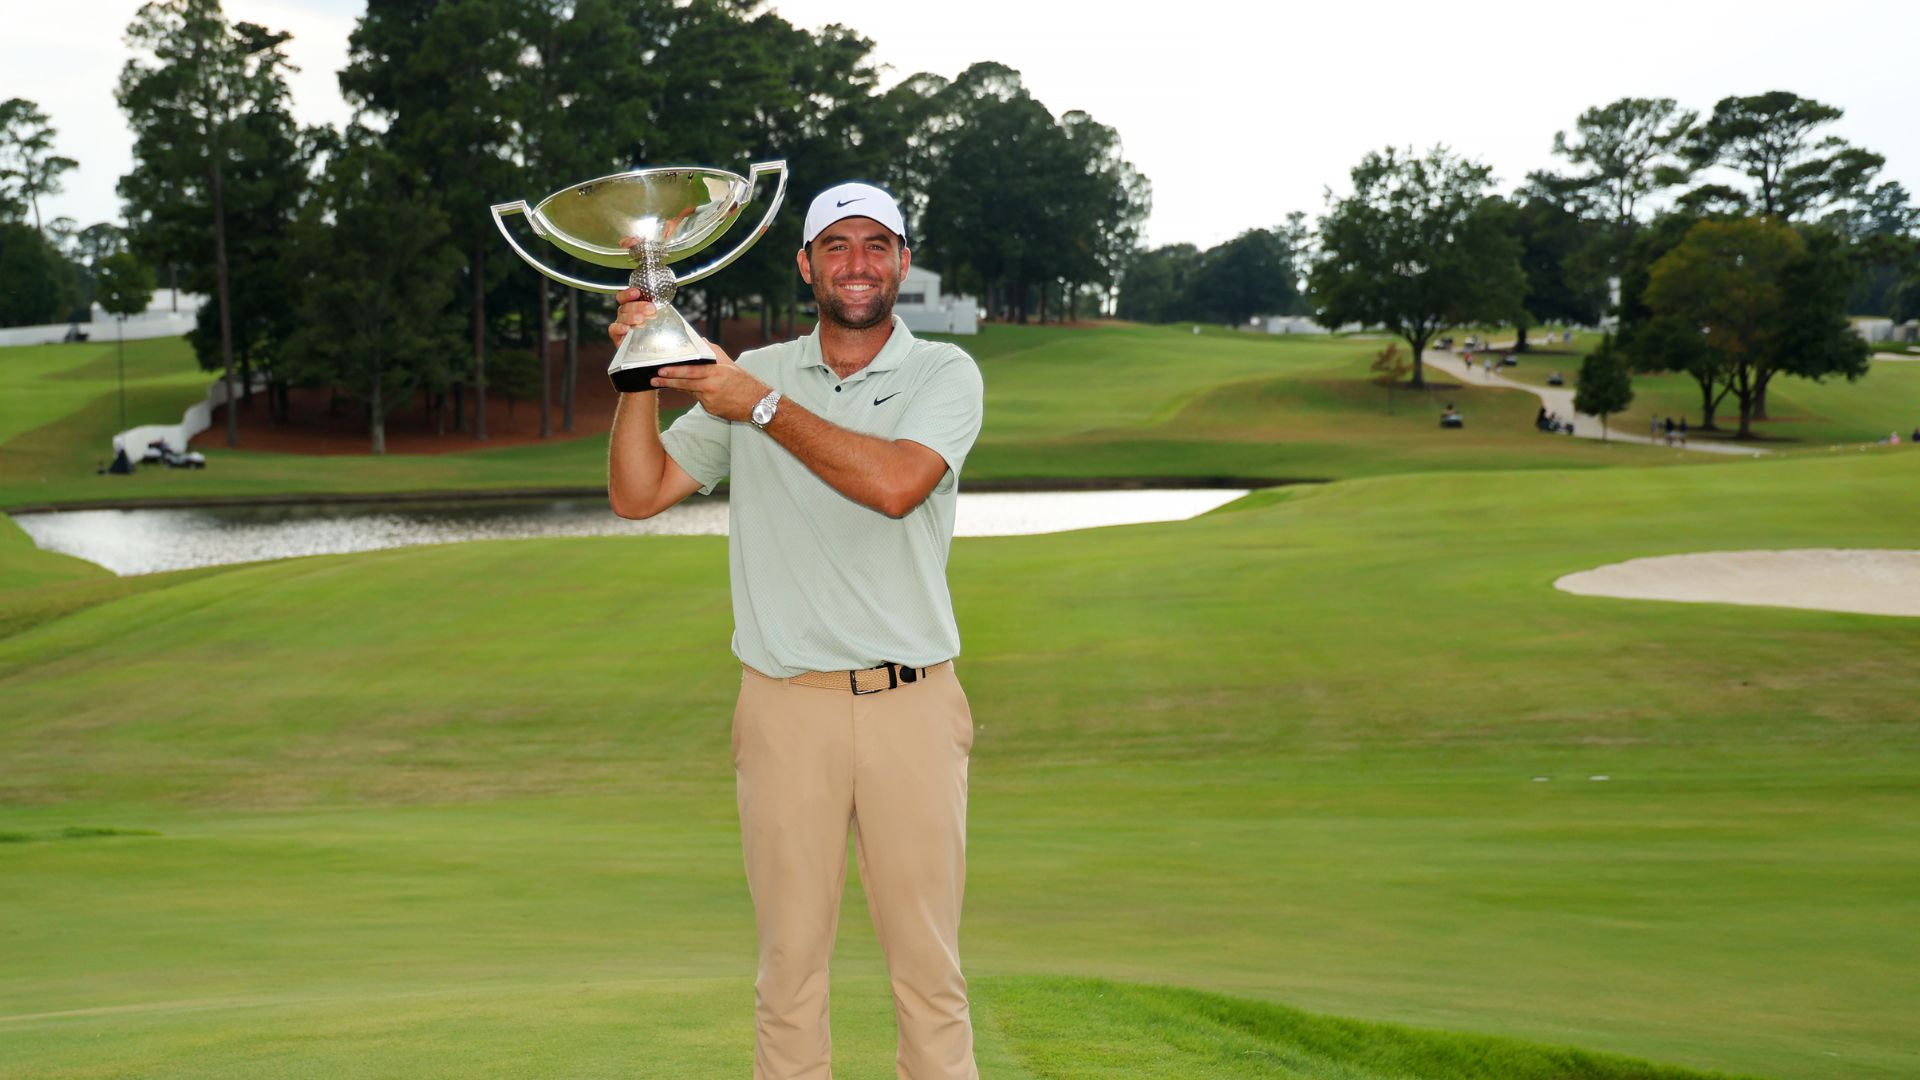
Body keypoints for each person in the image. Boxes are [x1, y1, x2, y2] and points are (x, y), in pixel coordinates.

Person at [605, 182, 985, 1080]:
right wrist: (638, 373)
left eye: (877, 245)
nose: (858, 264)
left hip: (913, 705)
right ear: (806, 264)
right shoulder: (756, 372)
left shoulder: (943, 374)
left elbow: (896, 486)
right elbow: (637, 494)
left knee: (929, 973)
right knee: (788, 974)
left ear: (901, 260)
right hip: (784, 707)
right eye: (838, 247)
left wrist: (759, 407)